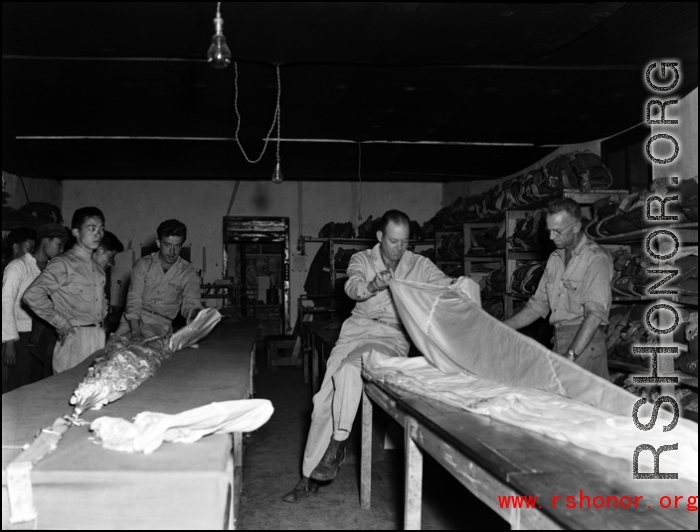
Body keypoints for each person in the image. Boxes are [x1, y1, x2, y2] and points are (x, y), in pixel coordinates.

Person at [284, 209, 460, 503]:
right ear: (380, 237)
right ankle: (309, 477)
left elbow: (446, 285)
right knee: (322, 403)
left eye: (405, 242)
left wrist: (463, 285)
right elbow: (351, 286)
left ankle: (338, 445)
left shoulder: (419, 265)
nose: (400, 249)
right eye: (394, 242)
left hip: (391, 337)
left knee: (351, 369)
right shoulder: (362, 260)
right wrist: (371, 286)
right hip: (354, 332)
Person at [502, 198, 614, 379]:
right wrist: (503, 327)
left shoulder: (595, 259)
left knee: (583, 405)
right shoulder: (555, 258)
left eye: (558, 231)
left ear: (576, 227)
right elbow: (537, 305)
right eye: (549, 230)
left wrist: (571, 355)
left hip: (584, 344)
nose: (551, 237)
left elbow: (594, 315)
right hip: (559, 340)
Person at [24, 207, 108, 374]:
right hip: (75, 338)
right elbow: (32, 295)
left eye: (101, 229)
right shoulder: (63, 264)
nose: (98, 234)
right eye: (91, 228)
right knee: (66, 393)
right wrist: (60, 321)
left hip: (97, 336)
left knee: (95, 393)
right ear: (76, 232)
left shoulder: (98, 269)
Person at [2, 224, 67, 392]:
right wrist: (9, 344)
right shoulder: (18, 266)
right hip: (20, 336)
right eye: (59, 244)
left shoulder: (53, 269)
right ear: (45, 241)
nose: (61, 249)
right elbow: (6, 303)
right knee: (18, 386)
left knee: (38, 386)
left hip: (44, 335)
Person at [115, 219, 202, 341]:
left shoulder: (188, 273)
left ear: (182, 245)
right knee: (112, 348)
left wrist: (196, 314)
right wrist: (136, 333)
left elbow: (191, 303)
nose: (172, 252)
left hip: (159, 325)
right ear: (158, 243)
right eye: (167, 245)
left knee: (138, 352)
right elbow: (133, 300)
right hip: (131, 321)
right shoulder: (142, 265)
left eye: (177, 246)